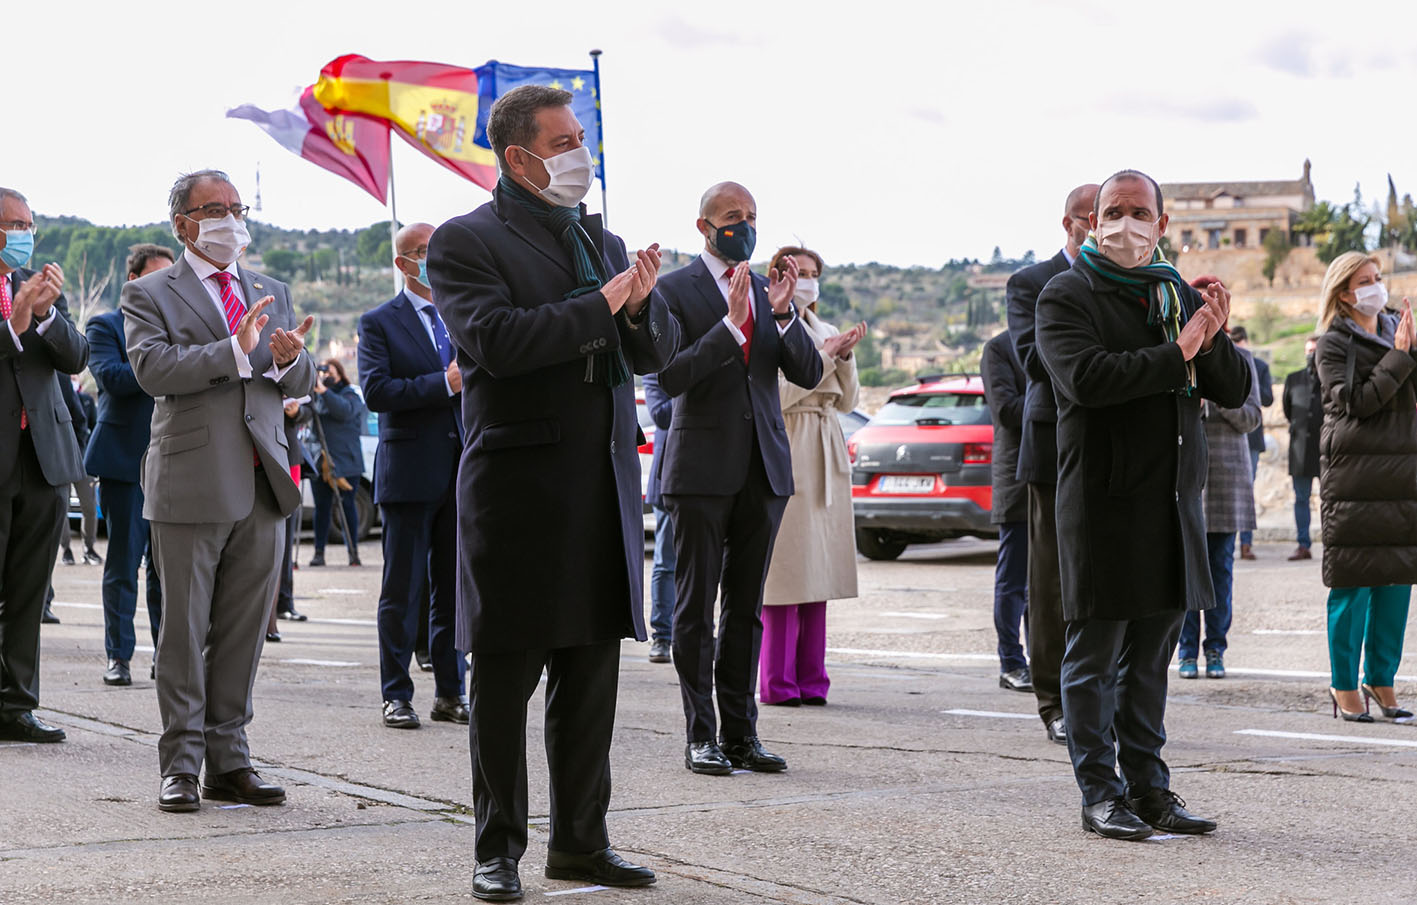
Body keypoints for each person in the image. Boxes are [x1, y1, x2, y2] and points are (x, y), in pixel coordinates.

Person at [427, 85, 676, 900]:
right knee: (503, 683)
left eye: (583, 139)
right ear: (519, 157)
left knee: (589, 681)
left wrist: (637, 307)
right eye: (565, 141)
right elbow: (494, 343)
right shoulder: (466, 242)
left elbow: (652, 352)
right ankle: (496, 846)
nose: (582, 154)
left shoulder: (600, 240)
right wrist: (600, 304)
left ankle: (580, 843)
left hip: (600, 487)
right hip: (517, 492)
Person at [1037, 169, 1249, 840]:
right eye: (1112, 210)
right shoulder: (1066, 294)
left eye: (1138, 212)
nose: (1124, 223)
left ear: (1162, 225)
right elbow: (1088, 379)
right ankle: (1100, 793)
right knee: (1094, 657)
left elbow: (1235, 385)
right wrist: (1179, 349)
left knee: (1150, 660)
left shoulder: (1173, 294)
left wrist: (1210, 335)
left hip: (1170, 504)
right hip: (1102, 504)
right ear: (1091, 221)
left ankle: (1149, 790)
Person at [121, 169, 315, 813]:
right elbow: (152, 370)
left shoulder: (269, 288)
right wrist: (235, 350)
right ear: (182, 224)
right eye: (215, 209)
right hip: (192, 481)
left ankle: (230, 759)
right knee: (184, 628)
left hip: (266, 481)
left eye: (237, 207)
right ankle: (180, 762)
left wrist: (288, 359)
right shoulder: (151, 292)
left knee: (242, 632)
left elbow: (295, 380)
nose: (231, 219)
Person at [656, 182, 822, 776]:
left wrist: (783, 312)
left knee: (746, 609)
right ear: (704, 226)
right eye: (733, 217)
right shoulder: (673, 290)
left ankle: (741, 734)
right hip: (701, 469)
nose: (744, 226)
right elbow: (670, 377)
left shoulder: (762, 288)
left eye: (751, 217)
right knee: (696, 608)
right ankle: (701, 735)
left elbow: (804, 369)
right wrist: (727, 328)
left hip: (763, 468)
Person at [358, 221, 467, 730]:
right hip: (408, 472)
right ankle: (396, 694)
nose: (432, 259)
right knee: (402, 591)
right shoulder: (380, 321)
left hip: (462, 469)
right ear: (403, 263)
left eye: (437, 250)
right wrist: (441, 384)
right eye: (422, 252)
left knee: (453, 590)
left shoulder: (462, 314)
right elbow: (377, 390)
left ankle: (451, 692)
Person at [1005, 182, 1098, 744]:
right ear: (1070, 224)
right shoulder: (1030, 283)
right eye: (1098, 216)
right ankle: (1053, 701)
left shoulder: (1137, 281)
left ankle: (1100, 691)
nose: (1111, 227)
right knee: (1050, 583)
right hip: (1052, 447)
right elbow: (1036, 360)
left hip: (1113, 448)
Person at [0, 186, 88, 744]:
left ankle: (16, 706)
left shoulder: (32, 288)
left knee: (30, 588)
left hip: (44, 458)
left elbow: (76, 356)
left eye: (27, 224)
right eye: (12, 224)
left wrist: (47, 312)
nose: (22, 234)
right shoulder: (17, 299)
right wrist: (17, 321)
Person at [1313, 251, 1416, 723]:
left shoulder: (1399, 330)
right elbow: (1358, 403)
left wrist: (1410, 348)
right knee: (1352, 587)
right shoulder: (1333, 344)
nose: (1377, 286)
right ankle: (1343, 684)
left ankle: (1381, 678)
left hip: (1401, 474)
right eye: (1365, 280)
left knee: (1396, 584)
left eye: (1378, 278)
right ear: (1344, 292)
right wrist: (1399, 355)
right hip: (1355, 478)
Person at [759, 246, 864, 707]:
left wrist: (843, 357)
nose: (806, 280)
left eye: (813, 273)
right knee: (788, 569)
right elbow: (779, 393)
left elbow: (846, 401)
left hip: (826, 444)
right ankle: (777, 682)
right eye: (799, 272)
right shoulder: (766, 322)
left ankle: (812, 678)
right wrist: (823, 360)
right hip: (791, 443)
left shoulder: (824, 328)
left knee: (820, 569)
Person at [86, 242, 173, 686]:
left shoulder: (181, 329)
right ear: (134, 281)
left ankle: (167, 657)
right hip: (124, 463)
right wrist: (165, 363)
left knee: (167, 571)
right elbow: (113, 379)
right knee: (123, 564)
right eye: (157, 278)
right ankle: (118, 657)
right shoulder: (105, 326)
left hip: (174, 462)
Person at [1180, 341, 1261, 680]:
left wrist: (1219, 398)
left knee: (1220, 570)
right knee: (1183, 571)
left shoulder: (1240, 358)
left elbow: (1252, 418)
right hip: (1185, 475)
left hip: (1227, 479)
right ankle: (1185, 652)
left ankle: (1215, 648)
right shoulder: (1178, 354)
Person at [980, 329, 1031, 693]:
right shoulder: (999, 348)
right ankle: (1011, 662)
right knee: (1014, 580)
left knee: (1050, 585)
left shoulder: (1058, 337)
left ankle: (1047, 660)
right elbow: (1006, 410)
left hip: (1062, 476)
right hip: (1018, 477)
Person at [307, 357, 366, 568]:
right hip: (321, 460)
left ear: (340, 374)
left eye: (330, 372)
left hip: (347, 461)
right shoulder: (317, 396)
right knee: (321, 508)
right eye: (322, 372)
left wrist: (324, 391)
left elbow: (344, 411)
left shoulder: (350, 394)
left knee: (348, 505)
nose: (326, 376)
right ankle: (318, 553)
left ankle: (353, 552)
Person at [266, 395, 313, 643]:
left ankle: (283, 602)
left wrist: (296, 412)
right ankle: (265, 615)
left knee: (282, 538)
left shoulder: (298, 357)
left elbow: (309, 409)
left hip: (287, 453)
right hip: (253, 450)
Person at [1229, 325, 1273, 560]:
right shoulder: (1225, 361)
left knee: (1247, 490)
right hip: (1230, 434)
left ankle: (1246, 543)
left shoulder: (1260, 366)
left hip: (1251, 436)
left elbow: (1266, 398)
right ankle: (1231, 541)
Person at [641, 371, 675, 664]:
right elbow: (661, 415)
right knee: (666, 561)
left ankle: (702, 633)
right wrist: (696, 384)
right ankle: (662, 636)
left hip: (708, 476)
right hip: (669, 477)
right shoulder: (656, 372)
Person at [1282, 336, 1322, 561]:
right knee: (1301, 498)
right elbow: (1289, 411)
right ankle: (1303, 544)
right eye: (1308, 350)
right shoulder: (1293, 379)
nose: (1310, 355)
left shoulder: (1329, 379)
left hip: (1326, 449)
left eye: (1314, 350)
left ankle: (1332, 544)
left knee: (1330, 499)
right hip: (1300, 450)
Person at [57, 375, 101, 566]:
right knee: (62, 507)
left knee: (89, 506)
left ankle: (89, 548)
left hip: (82, 458)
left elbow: (89, 425)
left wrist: (81, 449)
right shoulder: (55, 386)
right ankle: (66, 549)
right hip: (59, 460)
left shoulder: (87, 400)